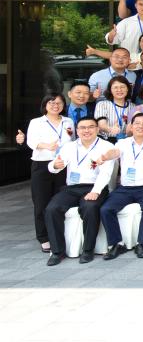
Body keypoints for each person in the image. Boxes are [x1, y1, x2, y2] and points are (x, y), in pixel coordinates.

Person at [44, 116, 114, 266]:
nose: (86, 130)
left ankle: (88, 250)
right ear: (77, 130)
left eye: (90, 127)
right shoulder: (69, 147)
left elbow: (106, 173)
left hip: (95, 186)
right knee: (52, 209)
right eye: (82, 128)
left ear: (97, 129)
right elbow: (54, 166)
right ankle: (57, 251)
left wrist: (95, 191)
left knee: (90, 207)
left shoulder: (106, 146)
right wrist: (55, 166)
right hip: (71, 188)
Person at [97, 113, 143, 259]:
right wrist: (105, 156)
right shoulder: (123, 143)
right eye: (137, 123)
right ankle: (116, 244)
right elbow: (115, 153)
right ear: (131, 126)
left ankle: (142, 244)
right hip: (125, 188)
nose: (140, 126)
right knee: (106, 209)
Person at [15, 93, 75, 253]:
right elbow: (31, 141)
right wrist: (46, 146)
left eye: (59, 103)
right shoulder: (37, 122)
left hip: (63, 165)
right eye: (51, 103)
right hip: (42, 165)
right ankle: (44, 237)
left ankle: (60, 233)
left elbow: (73, 141)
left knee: (60, 200)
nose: (55, 106)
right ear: (45, 105)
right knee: (41, 202)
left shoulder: (68, 121)